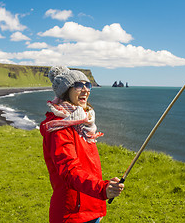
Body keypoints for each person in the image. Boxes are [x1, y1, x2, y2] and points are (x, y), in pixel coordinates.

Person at [40, 66, 124, 223]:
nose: (86, 90)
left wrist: (103, 189)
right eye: (79, 85)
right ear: (66, 91)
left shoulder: (83, 123)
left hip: (92, 206)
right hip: (73, 213)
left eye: (88, 85)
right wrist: (102, 188)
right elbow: (69, 171)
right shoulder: (59, 128)